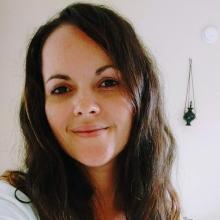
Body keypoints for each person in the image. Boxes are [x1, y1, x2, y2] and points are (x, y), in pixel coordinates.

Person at [0, 2, 181, 220]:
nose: (85, 107)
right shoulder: (12, 205)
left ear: (142, 95)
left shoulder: (163, 208)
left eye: (108, 82)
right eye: (61, 89)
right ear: (42, 109)